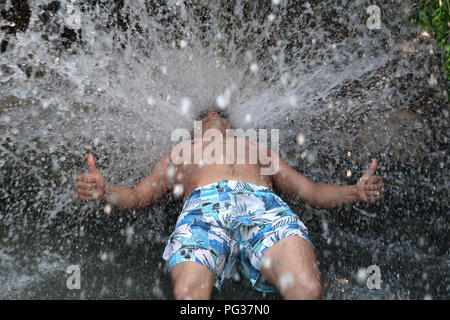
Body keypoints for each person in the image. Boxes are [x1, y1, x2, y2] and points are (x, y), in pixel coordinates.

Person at [76, 108, 384, 300]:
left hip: (263, 207)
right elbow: (138, 196)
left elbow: (311, 191)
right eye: (205, 113)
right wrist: (105, 191)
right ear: (196, 126)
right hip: (202, 211)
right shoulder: (180, 152)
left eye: (218, 111)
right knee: (188, 295)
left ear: (229, 124)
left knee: (307, 289)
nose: (212, 112)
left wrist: (354, 192)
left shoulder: (258, 149)